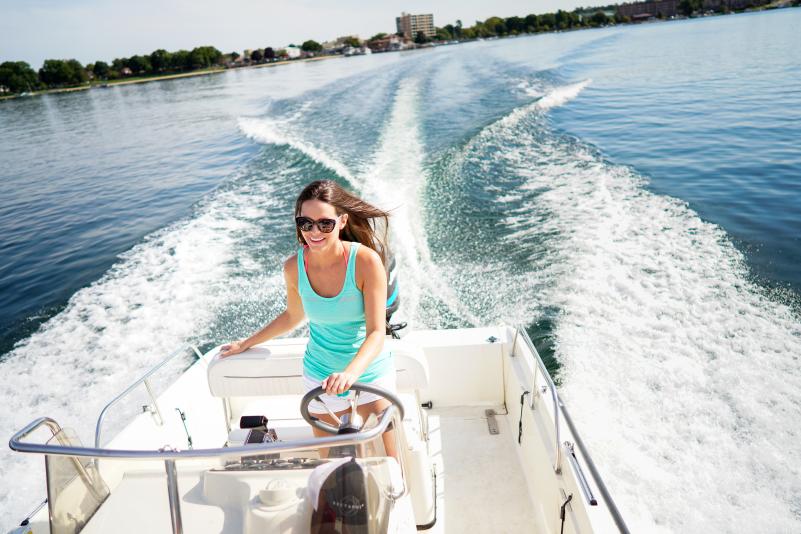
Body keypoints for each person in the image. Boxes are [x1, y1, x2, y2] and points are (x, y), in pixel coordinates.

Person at [220, 180, 397, 457]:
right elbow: (293, 315)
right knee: (332, 469)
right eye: (306, 223)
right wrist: (246, 343)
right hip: (321, 378)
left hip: (369, 374)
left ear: (342, 221)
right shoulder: (293, 267)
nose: (314, 232)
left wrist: (350, 374)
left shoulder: (365, 262)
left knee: (392, 462)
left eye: (325, 224)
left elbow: (377, 333)